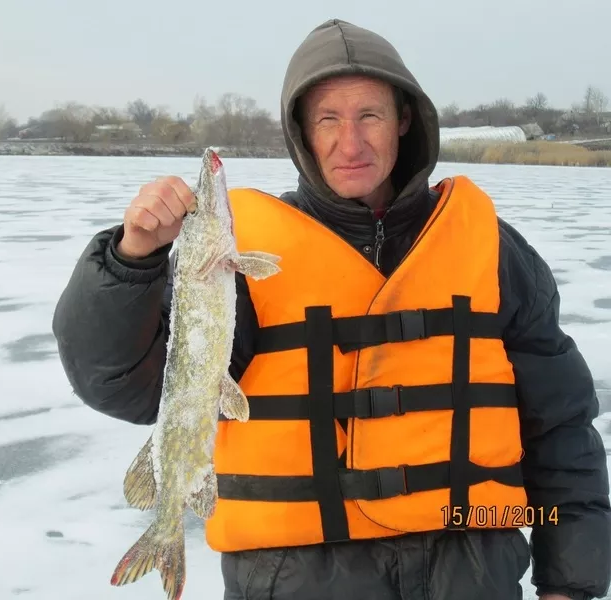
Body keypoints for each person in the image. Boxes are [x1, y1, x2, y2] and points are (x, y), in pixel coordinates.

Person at [52, 18, 611, 600]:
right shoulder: (242, 260)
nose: (351, 143)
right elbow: (126, 387)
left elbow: (562, 427)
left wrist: (571, 581)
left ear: (404, 121)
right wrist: (131, 260)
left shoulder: (490, 248)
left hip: (470, 575)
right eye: (328, 120)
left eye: (369, 115)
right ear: (301, 134)